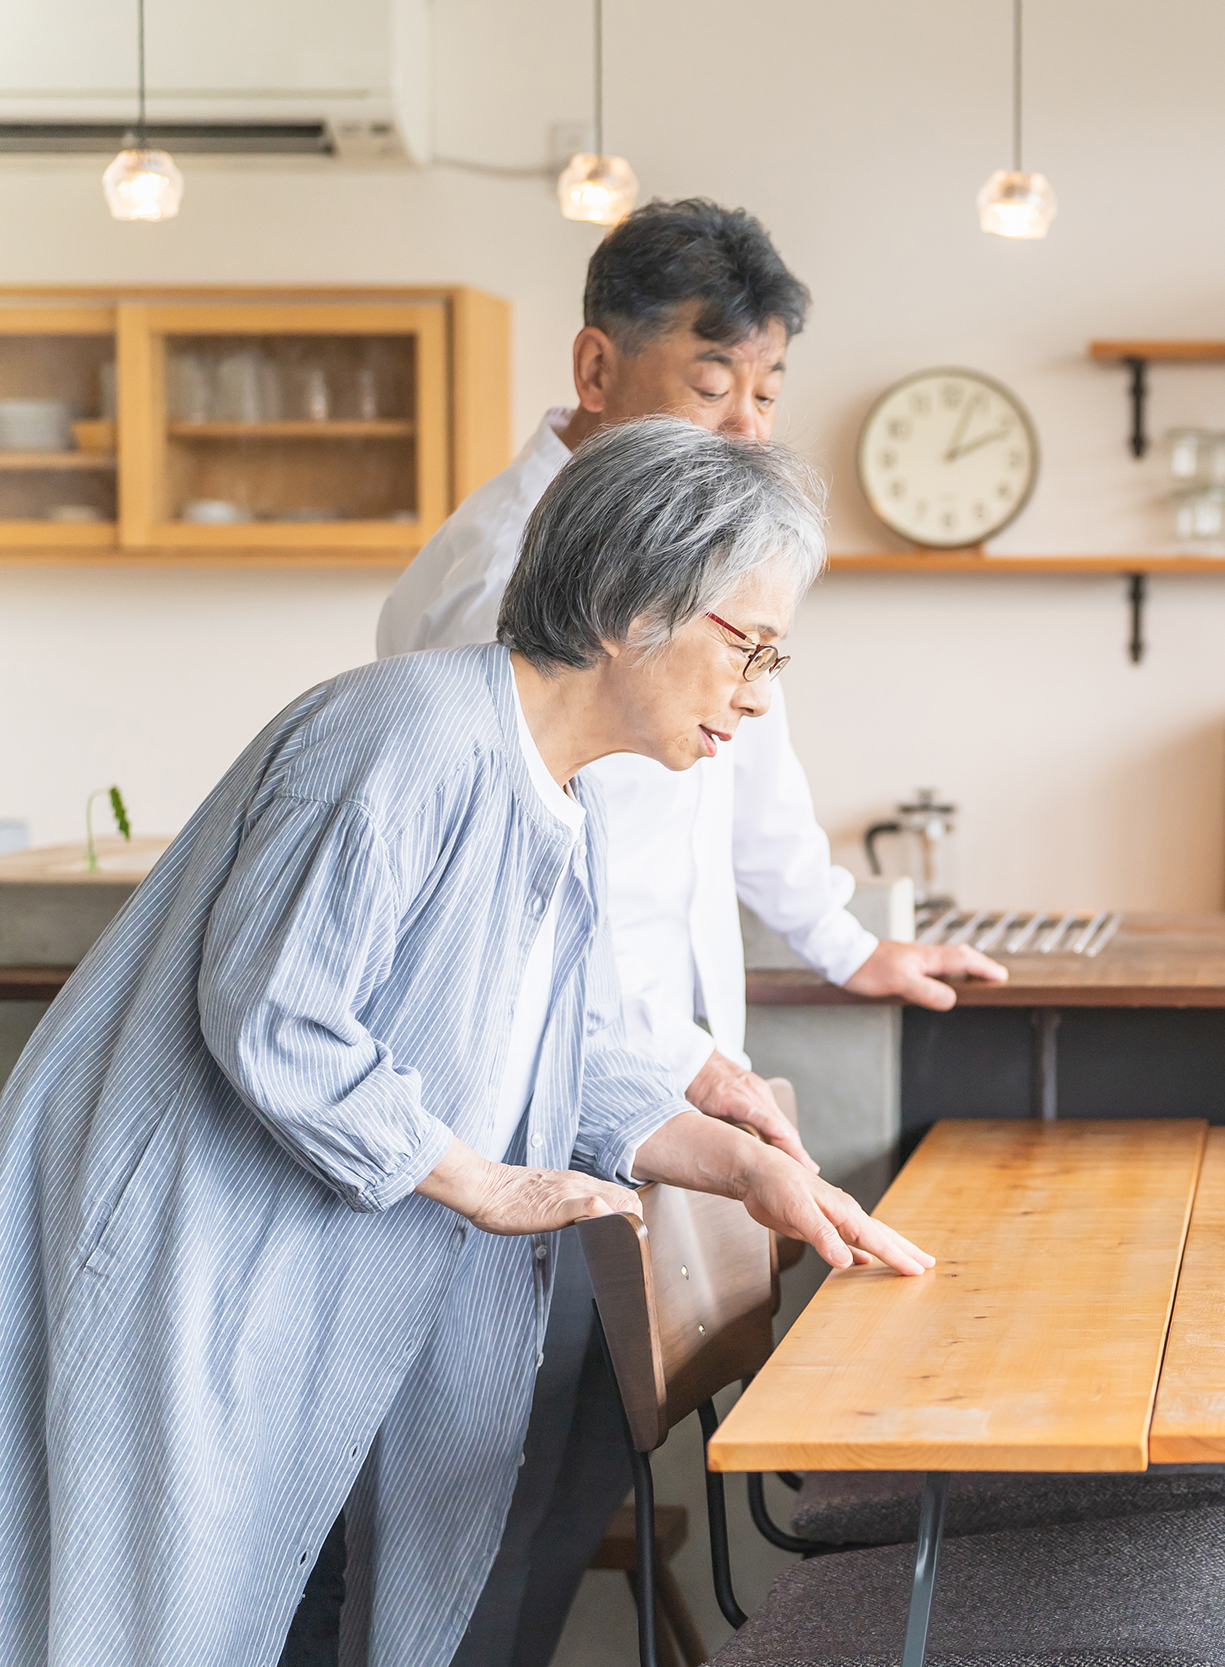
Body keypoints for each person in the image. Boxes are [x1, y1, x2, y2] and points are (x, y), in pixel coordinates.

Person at [0, 420, 934, 1667]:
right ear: (623, 603)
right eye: (748, 647)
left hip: (298, 1255)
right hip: (190, 1247)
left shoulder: (566, 789)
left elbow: (560, 1051)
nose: (760, 695)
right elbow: (276, 1014)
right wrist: (474, 1176)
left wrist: (743, 1164)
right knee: (159, 1619)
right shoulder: (405, 737)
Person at [378, 200, 1000, 1667]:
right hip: (521, 1114)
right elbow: (507, 925)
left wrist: (845, 945)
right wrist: (684, 1091)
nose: (741, 422)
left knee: (559, 1478)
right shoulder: (502, 583)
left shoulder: (692, 555)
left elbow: (754, 764)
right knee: (480, 1518)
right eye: (711, 383)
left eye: (767, 392)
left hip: (635, 1087)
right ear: (598, 366)